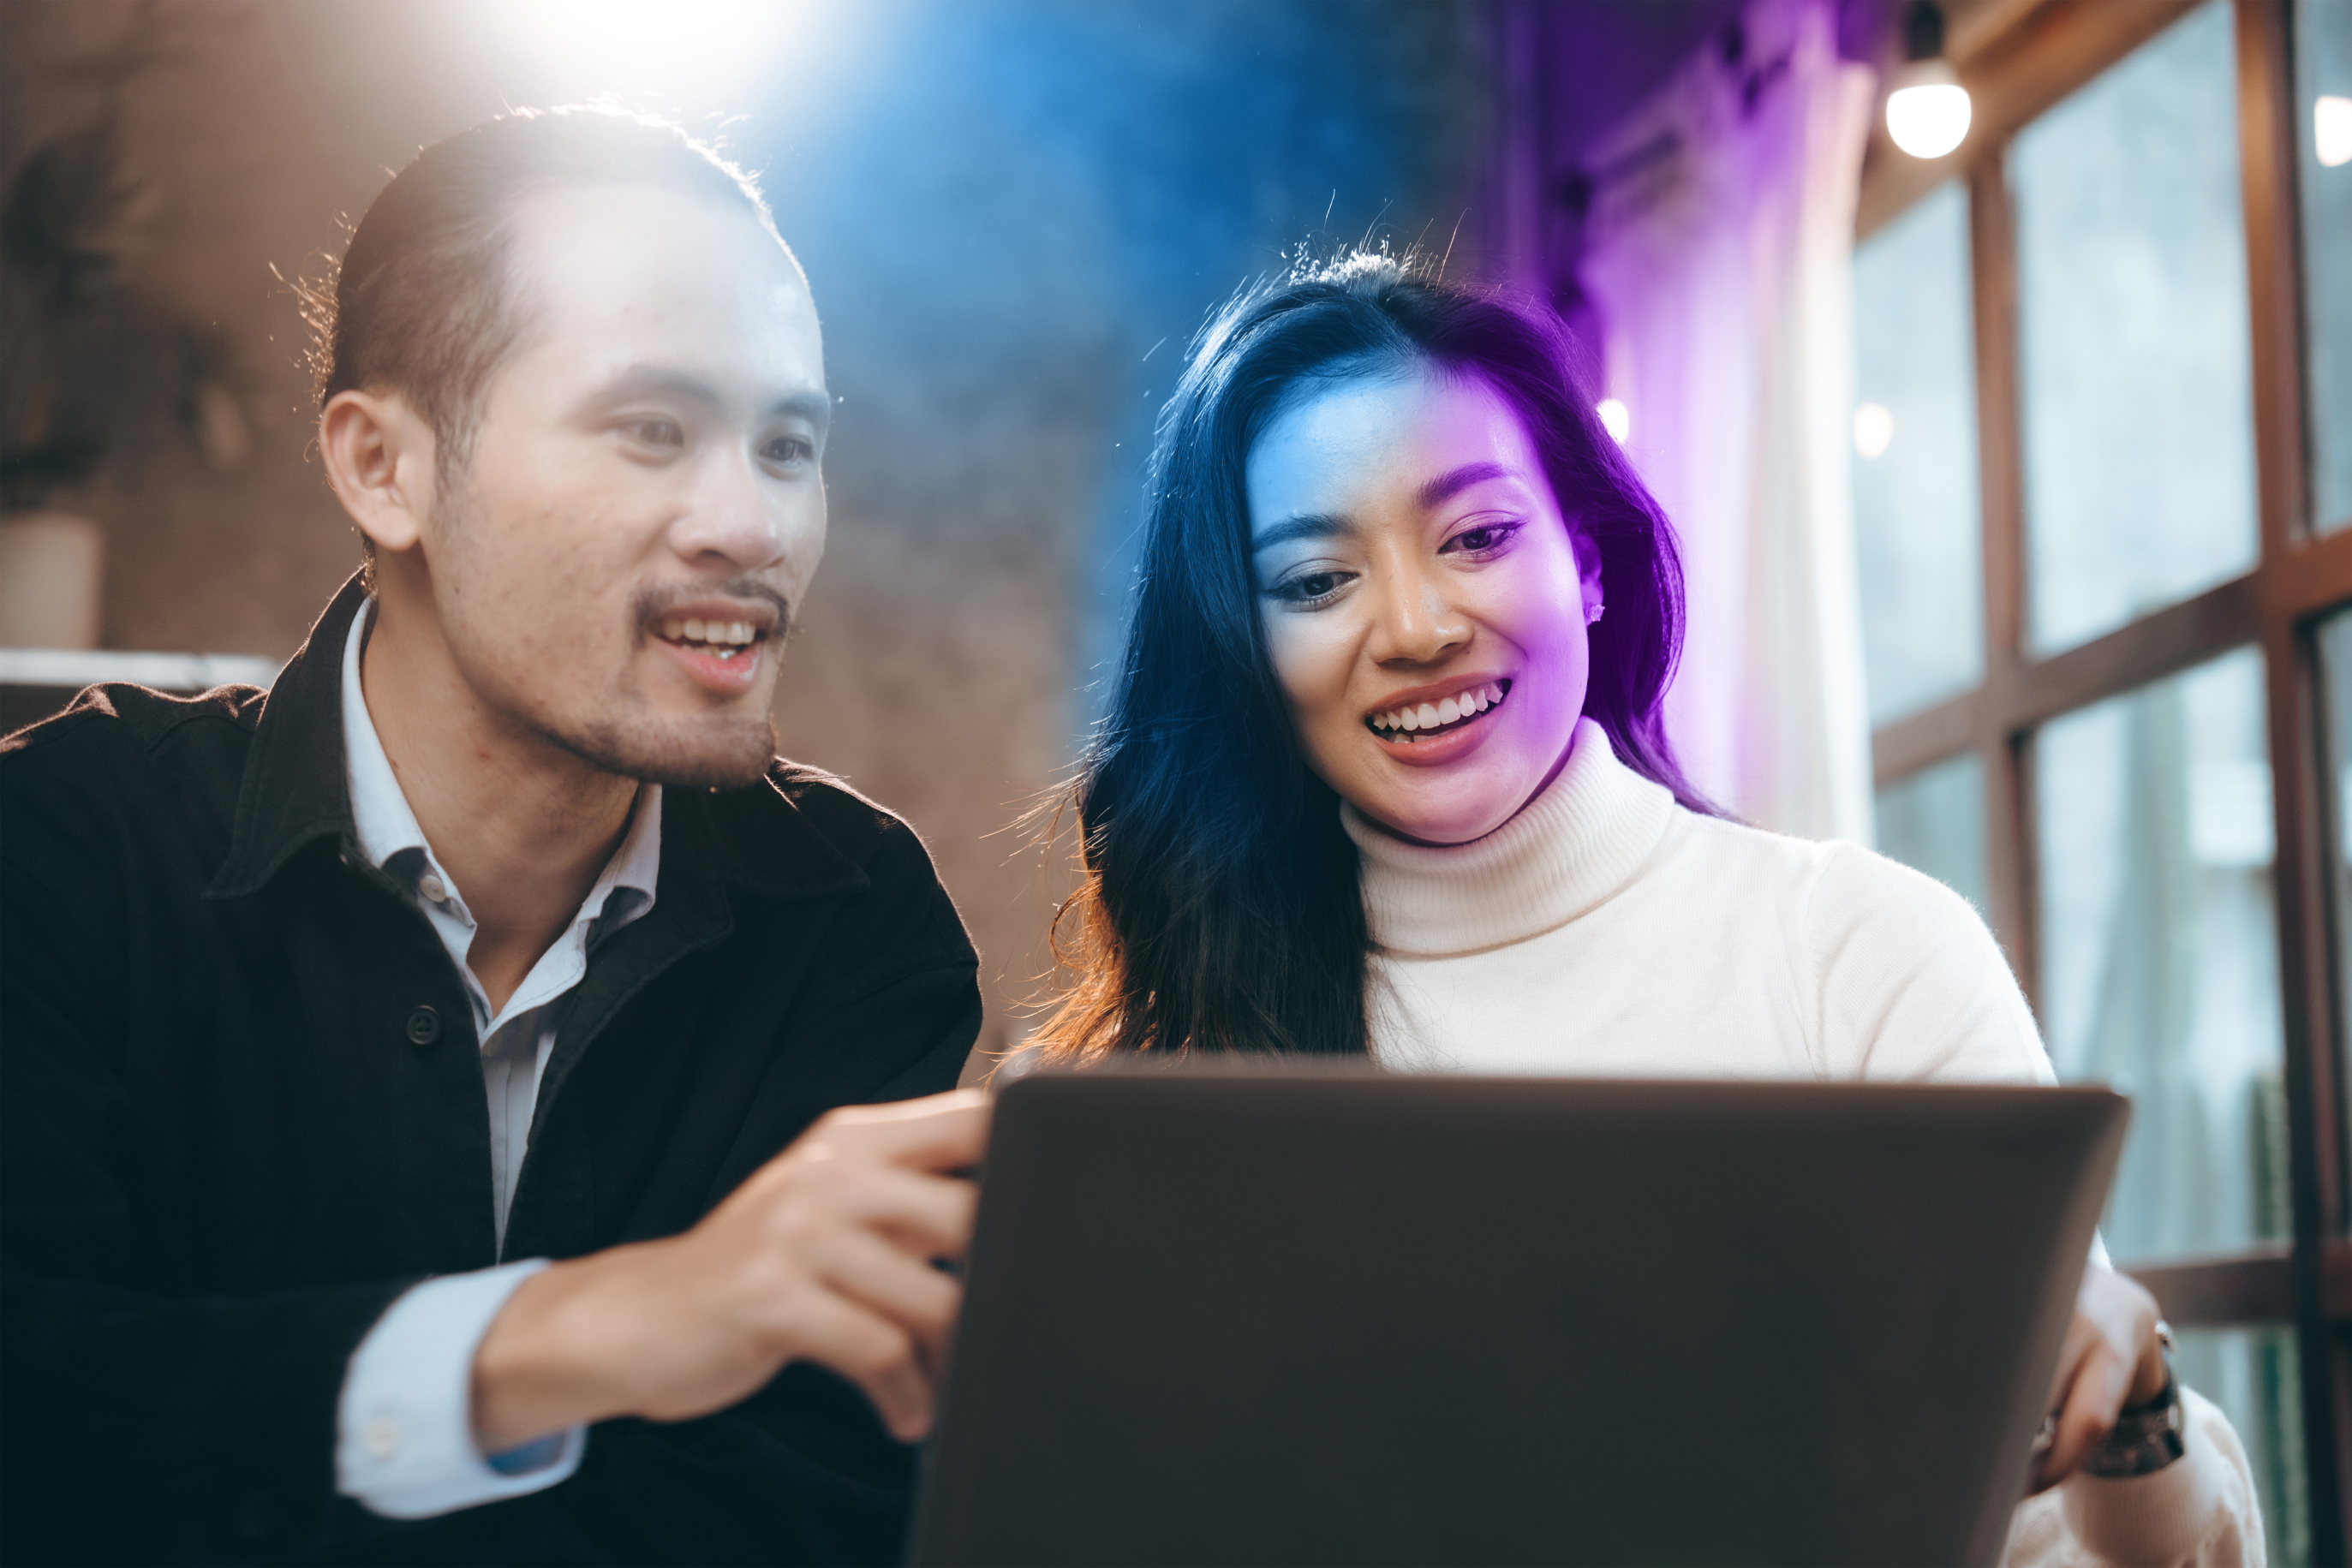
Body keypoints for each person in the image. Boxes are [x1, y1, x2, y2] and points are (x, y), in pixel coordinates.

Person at [1028, 253, 2263, 1566]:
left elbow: (2069, 1543)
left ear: (1593, 565)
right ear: (1246, 658)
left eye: (1479, 536)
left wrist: (2135, 1421)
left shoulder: (1855, 954)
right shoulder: (1167, 1089)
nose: (1414, 625)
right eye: (1316, 582)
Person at [0, 108, 988, 1565]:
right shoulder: (57, 854)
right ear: (381, 468)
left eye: (790, 444)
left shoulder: (853, 916)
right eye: (653, 428)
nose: (753, 522)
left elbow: (814, 1517)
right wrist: (593, 1334)